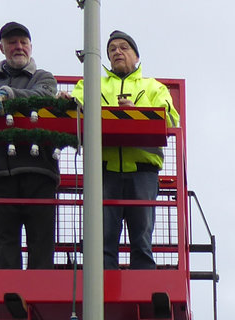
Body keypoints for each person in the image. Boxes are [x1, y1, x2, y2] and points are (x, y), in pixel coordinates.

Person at [71, 31, 179, 269]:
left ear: (136, 56)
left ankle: (143, 283)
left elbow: (170, 118)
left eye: (123, 47)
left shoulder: (154, 87)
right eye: (112, 50)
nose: (117, 52)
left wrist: (137, 112)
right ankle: (100, 290)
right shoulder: (90, 83)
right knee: (102, 239)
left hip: (142, 171)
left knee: (141, 237)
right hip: (104, 171)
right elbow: (74, 107)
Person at [0, 22, 60, 269]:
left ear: (30, 46)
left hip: (40, 173)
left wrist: (9, 95)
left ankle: (40, 290)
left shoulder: (44, 78)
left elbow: (43, 97)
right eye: (12, 43)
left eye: (23, 42)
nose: (18, 47)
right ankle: (10, 295)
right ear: (1, 48)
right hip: (2, 175)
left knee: (41, 239)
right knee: (5, 240)